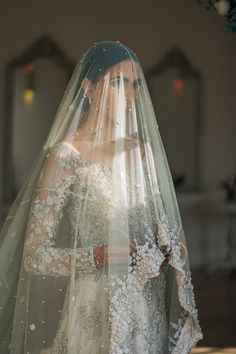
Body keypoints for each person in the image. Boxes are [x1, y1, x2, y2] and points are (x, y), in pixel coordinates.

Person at [0, 41, 202, 354]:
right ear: (89, 88)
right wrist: (98, 256)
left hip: (146, 313)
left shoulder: (142, 153)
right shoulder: (66, 157)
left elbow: (161, 236)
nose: (129, 96)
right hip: (93, 313)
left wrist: (169, 252)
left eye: (135, 85)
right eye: (118, 82)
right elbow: (34, 256)